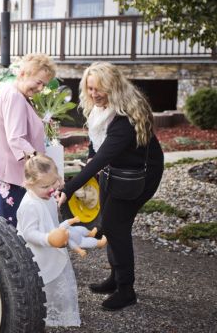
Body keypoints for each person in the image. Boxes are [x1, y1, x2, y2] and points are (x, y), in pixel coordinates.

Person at [58, 62, 164, 311]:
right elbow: (96, 146)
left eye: (100, 89)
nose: (94, 94)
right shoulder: (100, 110)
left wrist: (68, 188)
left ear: (114, 88)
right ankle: (115, 278)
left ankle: (126, 290)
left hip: (138, 176)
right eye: (90, 88)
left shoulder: (124, 119)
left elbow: (103, 157)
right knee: (107, 224)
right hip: (116, 170)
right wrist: (89, 156)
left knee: (117, 228)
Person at [0, 53, 57, 226]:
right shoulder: (15, 97)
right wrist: (41, 163)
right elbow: (16, 138)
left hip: (10, 175)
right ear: (23, 73)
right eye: (39, 82)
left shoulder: (13, 93)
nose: (41, 88)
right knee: (16, 233)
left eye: (44, 85)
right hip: (13, 177)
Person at [17, 154, 81, 327]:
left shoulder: (47, 196)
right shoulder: (29, 205)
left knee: (57, 280)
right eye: (45, 186)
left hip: (52, 247)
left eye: (54, 183)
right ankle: (44, 314)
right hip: (38, 253)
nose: (52, 189)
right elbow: (29, 233)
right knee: (43, 282)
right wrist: (48, 238)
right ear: (29, 184)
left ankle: (60, 313)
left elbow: (50, 218)